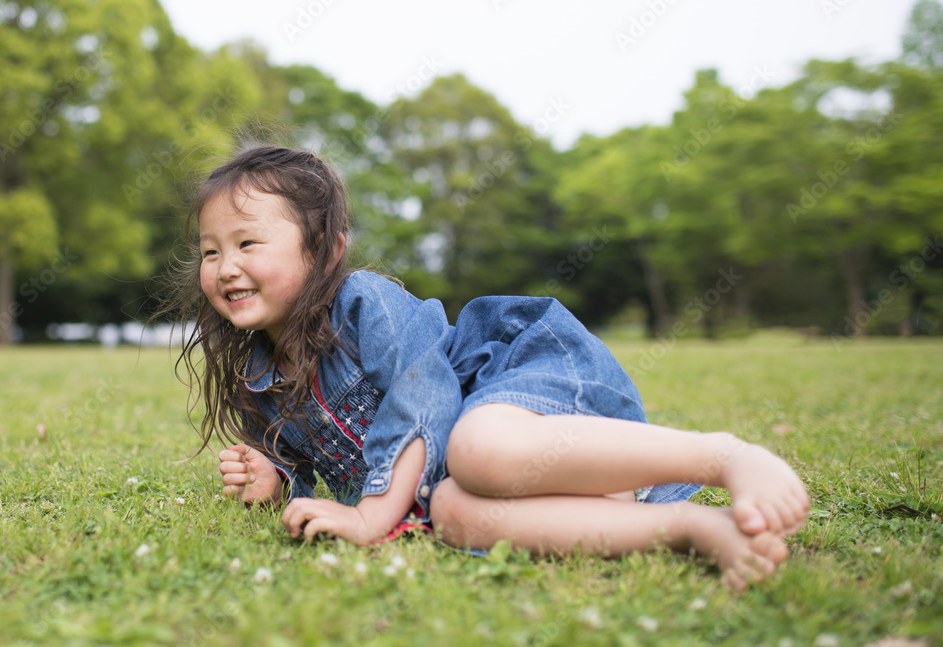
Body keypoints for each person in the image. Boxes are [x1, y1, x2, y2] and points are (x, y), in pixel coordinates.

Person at [166, 145, 809, 590]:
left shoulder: (363, 304)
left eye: (248, 243)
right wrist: (278, 477)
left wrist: (370, 517)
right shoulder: (261, 377)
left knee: (478, 449)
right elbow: (331, 465)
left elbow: (420, 403)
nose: (225, 267)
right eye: (211, 250)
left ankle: (723, 457)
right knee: (455, 514)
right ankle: (692, 527)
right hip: (523, 484)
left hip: (523, 394)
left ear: (326, 252)